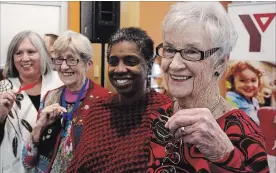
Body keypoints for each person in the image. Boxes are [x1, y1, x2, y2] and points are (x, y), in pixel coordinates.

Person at [154, 2, 268, 172]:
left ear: (220, 62)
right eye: (169, 49)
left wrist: (222, 154)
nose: (175, 64)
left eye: (192, 52)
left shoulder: (245, 133)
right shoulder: (155, 116)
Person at [66, 27, 172, 173]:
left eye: (130, 61)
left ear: (148, 65)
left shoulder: (165, 113)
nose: (120, 69)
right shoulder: (97, 110)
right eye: (113, 62)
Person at [22, 30, 110, 173]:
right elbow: (28, 162)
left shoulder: (105, 101)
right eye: (59, 59)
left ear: (88, 64)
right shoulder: (50, 97)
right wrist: (39, 127)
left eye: (71, 59)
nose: (63, 66)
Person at [0, 30, 63, 173]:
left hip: (53, 165)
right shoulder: (3, 88)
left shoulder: (60, 82)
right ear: (12, 58)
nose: (25, 58)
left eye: (31, 52)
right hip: (14, 167)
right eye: (18, 53)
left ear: (42, 54)